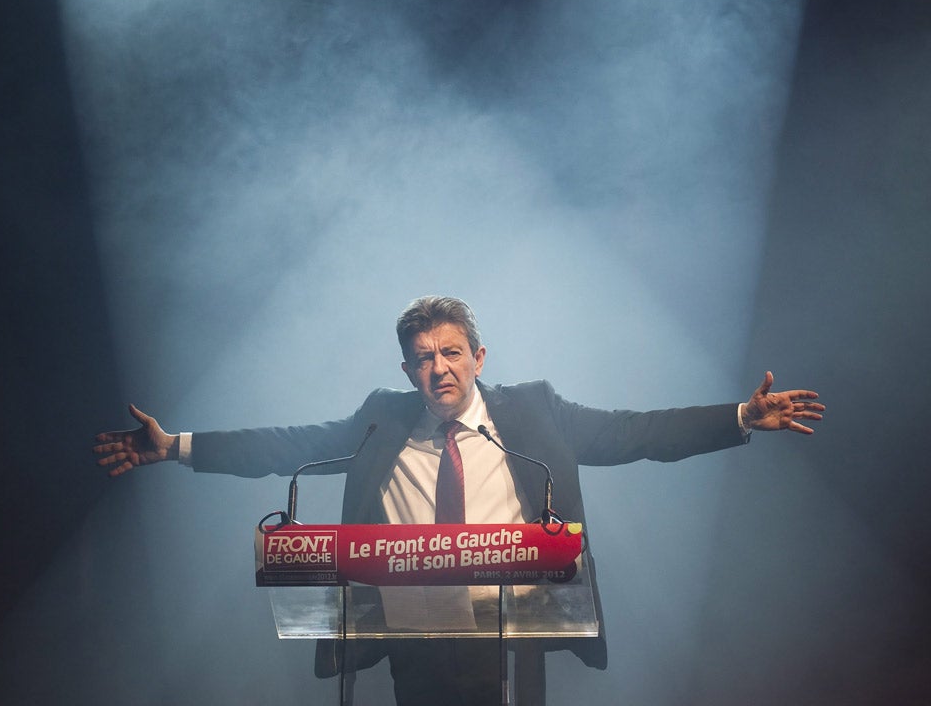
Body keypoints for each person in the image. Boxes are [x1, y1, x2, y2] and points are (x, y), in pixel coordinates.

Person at [94, 296, 824, 705]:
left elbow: (635, 434)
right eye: (422, 358)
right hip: (413, 635)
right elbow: (284, 444)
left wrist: (737, 417)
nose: (437, 368)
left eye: (450, 352)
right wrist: (177, 445)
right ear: (406, 369)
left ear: (479, 357)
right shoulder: (382, 419)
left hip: (511, 634)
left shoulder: (534, 415)